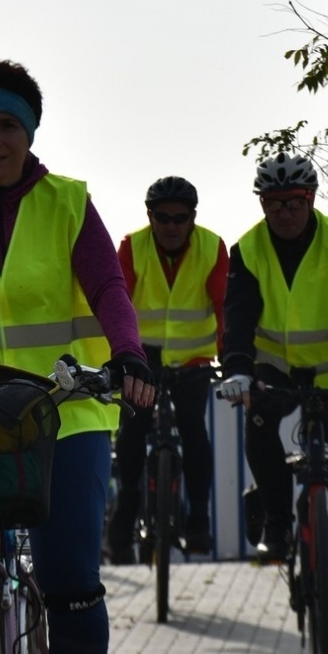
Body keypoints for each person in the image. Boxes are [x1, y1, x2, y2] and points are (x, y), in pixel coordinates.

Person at [0, 58, 154, 654]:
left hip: (67, 409)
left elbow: (109, 286)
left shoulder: (69, 203)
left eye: (7, 125)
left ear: (29, 133)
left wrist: (128, 352)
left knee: (69, 578)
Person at [216, 152, 328, 652]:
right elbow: (239, 317)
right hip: (274, 370)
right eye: (274, 204)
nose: (285, 213)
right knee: (256, 423)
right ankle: (277, 520)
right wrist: (236, 370)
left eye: (294, 202)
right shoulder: (247, 250)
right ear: (263, 204)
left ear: (311, 199)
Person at [107, 175, 227, 561]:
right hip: (143, 357)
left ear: (193, 217)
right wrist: (119, 355)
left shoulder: (212, 247)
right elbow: (116, 301)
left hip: (193, 359)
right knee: (132, 430)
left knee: (194, 428)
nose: (172, 226)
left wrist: (233, 360)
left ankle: (198, 521)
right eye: (163, 218)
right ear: (150, 216)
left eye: (181, 218)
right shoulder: (132, 247)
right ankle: (124, 521)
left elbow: (225, 308)